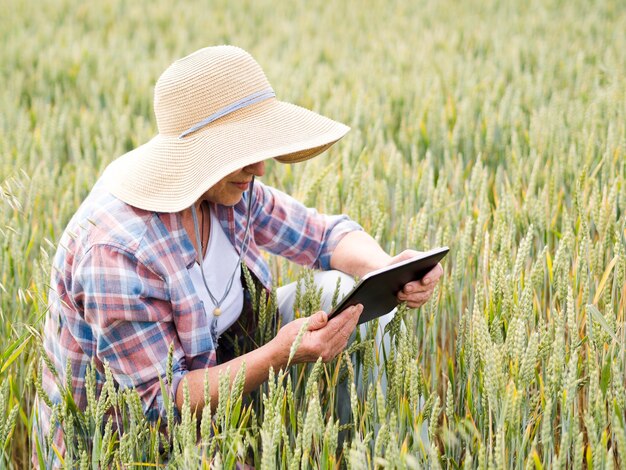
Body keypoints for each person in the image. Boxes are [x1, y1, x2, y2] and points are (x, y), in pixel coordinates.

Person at [35, 45, 442, 463]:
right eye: (244, 153)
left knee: (343, 291)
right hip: (126, 444)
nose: (262, 168)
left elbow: (322, 237)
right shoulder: (118, 255)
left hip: (222, 371)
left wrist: (388, 268)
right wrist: (277, 355)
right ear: (195, 157)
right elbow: (161, 405)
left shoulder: (228, 189)